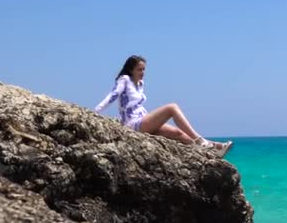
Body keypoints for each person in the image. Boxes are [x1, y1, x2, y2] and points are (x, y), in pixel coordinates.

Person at [94, 55, 232, 157]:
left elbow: (139, 106)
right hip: (133, 124)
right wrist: (96, 111)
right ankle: (201, 140)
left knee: (179, 134)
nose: (143, 72)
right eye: (139, 69)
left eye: (144, 69)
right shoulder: (124, 80)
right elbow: (112, 96)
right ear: (131, 70)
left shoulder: (140, 84)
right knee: (172, 107)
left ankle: (213, 151)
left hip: (143, 120)